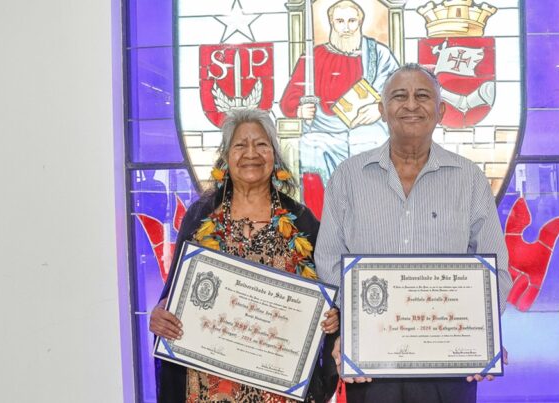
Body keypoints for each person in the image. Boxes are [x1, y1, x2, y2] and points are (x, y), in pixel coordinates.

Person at [314, 64, 513, 403]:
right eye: (398, 96)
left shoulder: (469, 179)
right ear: (381, 110)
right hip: (370, 363)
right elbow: (329, 261)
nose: (410, 105)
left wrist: (483, 335)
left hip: (450, 363)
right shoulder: (348, 176)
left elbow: (495, 269)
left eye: (423, 96)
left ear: (441, 110)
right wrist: (354, 330)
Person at [149, 109, 339, 403]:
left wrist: (331, 318)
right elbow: (174, 293)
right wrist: (162, 312)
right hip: (208, 384)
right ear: (225, 156)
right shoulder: (201, 218)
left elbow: (327, 297)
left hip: (278, 386)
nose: (251, 153)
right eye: (240, 145)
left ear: (275, 155)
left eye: (261, 144)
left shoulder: (302, 222)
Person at [279, 0, 399, 182]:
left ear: (360, 22)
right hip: (323, 130)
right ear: (331, 23)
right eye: (340, 21)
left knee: (374, 143)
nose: (346, 27)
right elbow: (290, 97)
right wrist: (299, 110)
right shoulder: (314, 56)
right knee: (311, 148)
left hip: (367, 127)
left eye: (351, 21)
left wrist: (380, 108)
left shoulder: (378, 54)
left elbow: (400, 92)